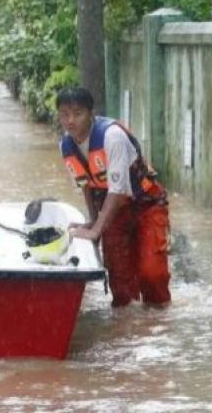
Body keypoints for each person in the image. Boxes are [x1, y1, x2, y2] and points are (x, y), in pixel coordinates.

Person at [57, 87, 170, 307]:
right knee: (120, 286)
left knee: (152, 274)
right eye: (64, 114)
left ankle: (159, 326)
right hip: (115, 213)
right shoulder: (66, 145)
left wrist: (97, 229)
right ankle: (125, 332)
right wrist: (92, 220)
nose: (70, 121)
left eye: (77, 113)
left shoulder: (112, 137)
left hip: (146, 204)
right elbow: (86, 185)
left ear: (91, 114)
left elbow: (117, 191)